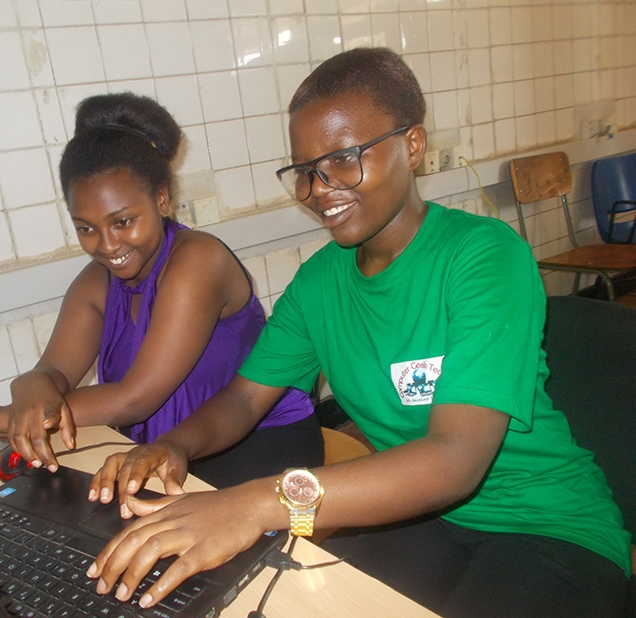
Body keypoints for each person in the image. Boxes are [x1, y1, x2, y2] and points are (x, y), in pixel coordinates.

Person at [83, 49, 632, 617]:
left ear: (412, 145)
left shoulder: (484, 256)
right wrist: (174, 446)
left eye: (344, 158)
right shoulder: (320, 283)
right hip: (424, 519)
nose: (320, 188)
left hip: (549, 530)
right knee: (273, 595)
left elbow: (454, 460)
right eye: (304, 170)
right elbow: (246, 398)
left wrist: (257, 504)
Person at [0, 92, 323, 490]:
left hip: (253, 449)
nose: (107, 245)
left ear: (161, 199)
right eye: (86, 228)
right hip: (160, 454)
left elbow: (136, 398)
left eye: (123, 221)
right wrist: (30, 386)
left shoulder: (199, 261)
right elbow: (54, 372)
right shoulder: (97, 281)